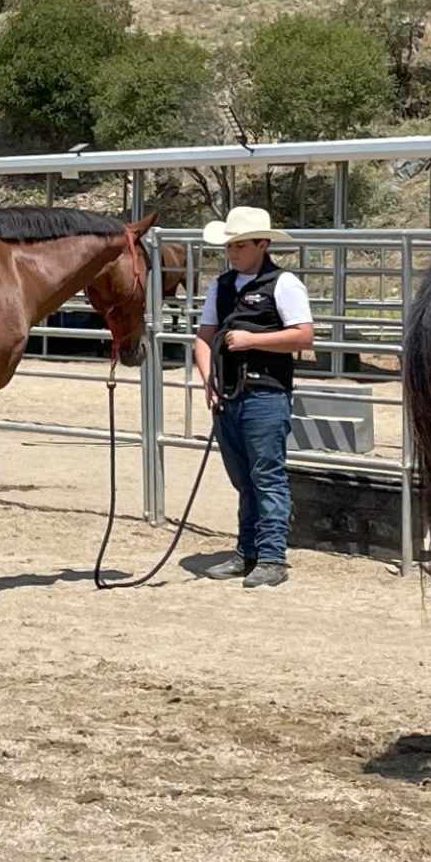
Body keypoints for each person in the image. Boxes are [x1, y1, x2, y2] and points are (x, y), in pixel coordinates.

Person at [192, 205, 315, 588]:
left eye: (240, 245)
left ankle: (272, 555)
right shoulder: (222, 286)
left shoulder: (284, 284)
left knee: (266, 476)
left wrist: (252, 340)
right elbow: (203, 336)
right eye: (230, 246)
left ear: (262, 244)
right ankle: (247, 552)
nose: (232, 252)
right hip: (229, 395)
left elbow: (303, 335)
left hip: (265, 394)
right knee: (244, 478)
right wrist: (208, 379)